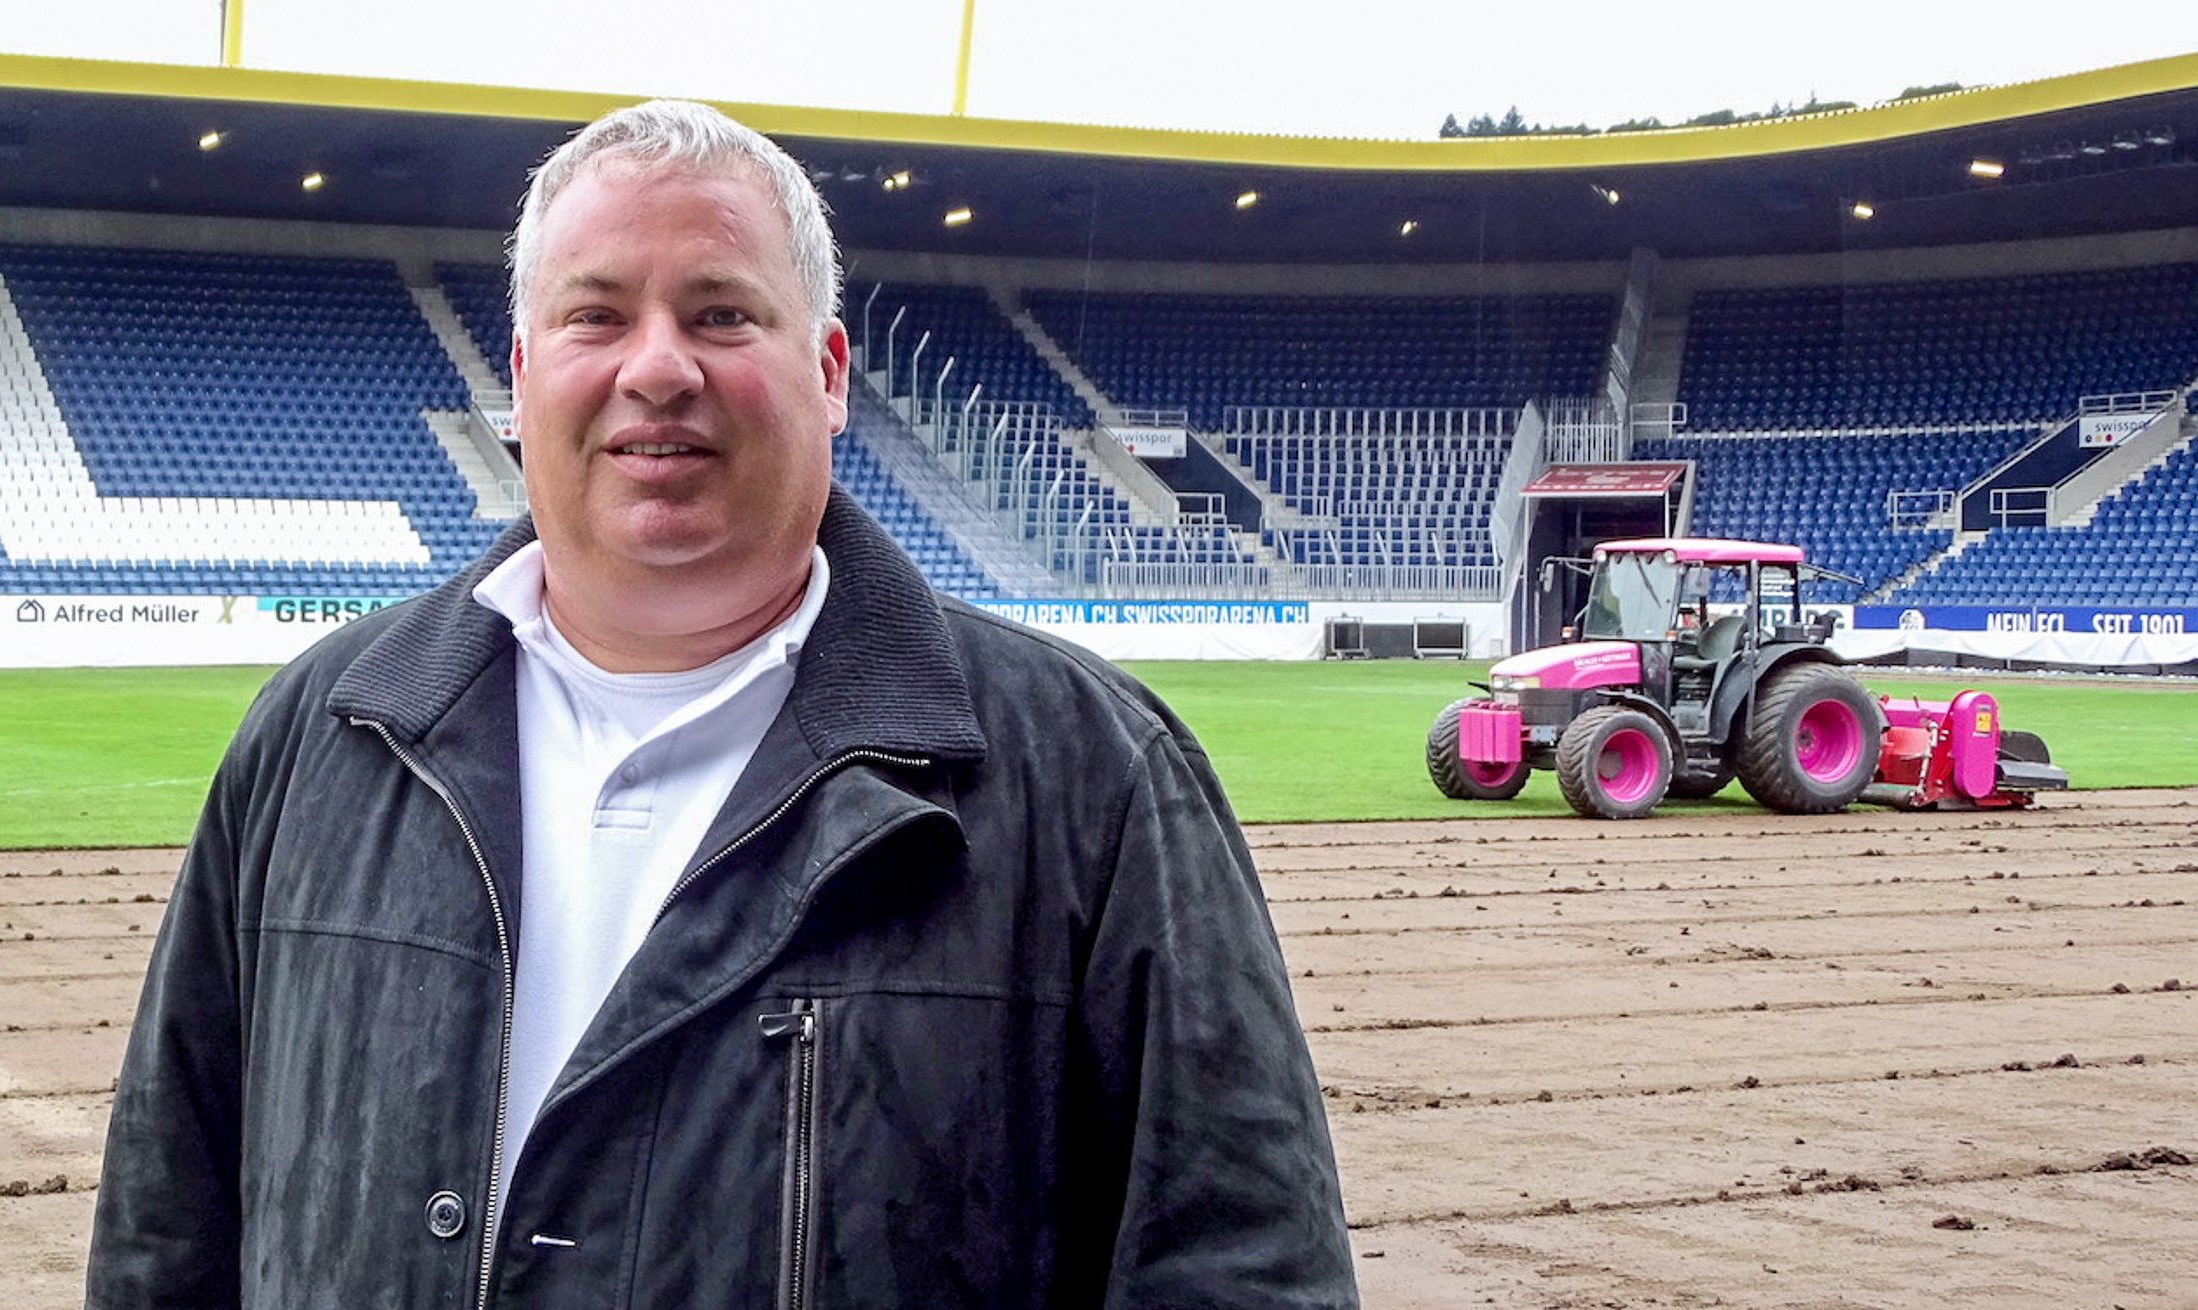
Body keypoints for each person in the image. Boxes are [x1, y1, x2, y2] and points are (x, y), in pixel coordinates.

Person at [88, 98, 1354, 1309]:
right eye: (595, 315)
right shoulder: (318, 735)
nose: (657, 366)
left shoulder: (1094, 775)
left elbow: (1239, 1263)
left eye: (722, 313)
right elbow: (169, 1220)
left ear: (829, 371)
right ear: (522, 379)